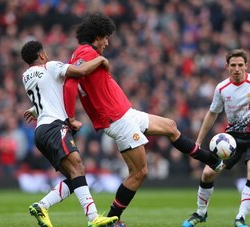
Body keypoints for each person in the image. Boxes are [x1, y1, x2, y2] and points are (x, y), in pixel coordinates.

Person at [62, 12, 223, 226]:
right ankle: (112, 219)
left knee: (170, 127)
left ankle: (213, 161)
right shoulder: (85, 52)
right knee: (139, 172)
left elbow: (72, 79)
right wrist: (70, 116)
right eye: (106, 37)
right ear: (98, 36)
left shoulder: (82, 54)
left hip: (126, 113)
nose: (108, 42)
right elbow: (71, 83)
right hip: (117, 119)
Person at [181, 49, 250, 227]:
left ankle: (240, 218)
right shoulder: (222, 88)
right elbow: (211, 114)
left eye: (240, 65)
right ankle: (200, 213)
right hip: (231, 140)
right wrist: (199, 141)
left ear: (246, 65)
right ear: (227, 67)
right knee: (208, 173)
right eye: (233, 65)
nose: (237, 68)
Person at [20, 40, 118, 227]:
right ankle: (93, 218)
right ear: (41, 55)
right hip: (55, 127)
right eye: (45, 52)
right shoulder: (50, 66)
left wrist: (34, 110)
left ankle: (42, 206)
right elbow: (80, 71)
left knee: (75, 177)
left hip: (41, 131)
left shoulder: (26, 76)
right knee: (78, 167)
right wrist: (100, 59)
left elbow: (46, 94)